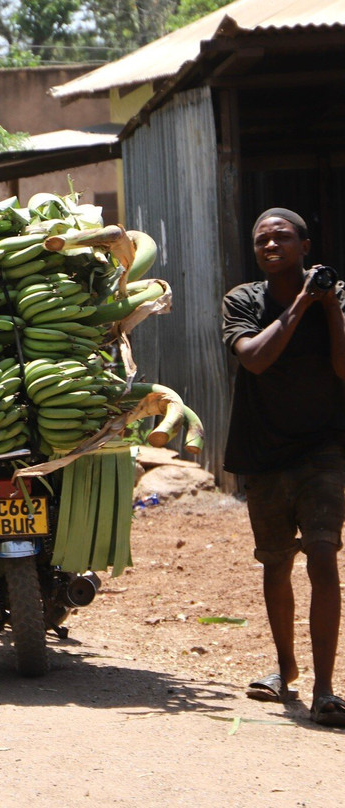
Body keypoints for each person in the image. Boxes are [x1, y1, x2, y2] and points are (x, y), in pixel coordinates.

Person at [221, 207, 345, 727]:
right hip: (264, 449)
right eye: (261, 240)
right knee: (275, 562)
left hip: (324, 448)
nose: (271, 245)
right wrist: (299, 304)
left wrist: (329, 307)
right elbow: (254, 358)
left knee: (322, 553)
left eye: (282, 237)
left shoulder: (335, 295)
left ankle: (324, 688)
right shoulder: (243, 299)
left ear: (306, 245)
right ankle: (285, 669)